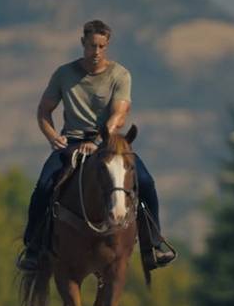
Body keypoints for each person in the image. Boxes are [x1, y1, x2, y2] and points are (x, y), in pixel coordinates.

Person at [17, 19, 176, 273]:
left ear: (107, 45)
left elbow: (119, 115)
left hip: (109, 142)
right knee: (44, 185)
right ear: (83, 43)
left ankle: (153, 245)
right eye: (92, 45)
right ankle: (33, 248)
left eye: (102, 46)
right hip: (71, 142)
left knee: (145, 182)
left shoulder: (119, 75)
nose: (96, 52)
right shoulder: (64, 74)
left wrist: (98, 141)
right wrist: (50, 135)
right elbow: (44, 110)